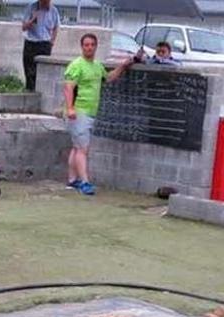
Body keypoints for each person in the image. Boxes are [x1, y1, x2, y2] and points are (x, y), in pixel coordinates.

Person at [63, 33, 137, 195]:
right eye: (86, 45)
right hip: (79, 111)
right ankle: (85, 182)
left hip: (90, 112)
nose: (89, 47)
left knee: (77, 147)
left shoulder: (97, 66)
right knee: (83, 149)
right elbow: (68, 87)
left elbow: (108, 77)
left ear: (96, 46)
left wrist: (123, 66)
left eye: (92, 45)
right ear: (82, 47)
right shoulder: (76, 65)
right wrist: (70, 108)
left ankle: (72, 180)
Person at [21, 0, 60, 91]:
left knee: (43, 71)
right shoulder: (31, 7)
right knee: (29, 71)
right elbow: (23, 27)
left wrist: (52, 41)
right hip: (31, 42)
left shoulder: (54, 10)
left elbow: (56, 27)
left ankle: (41, 91)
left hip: (45, 44)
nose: (45, 3)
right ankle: (30, 91)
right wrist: (32, 20)